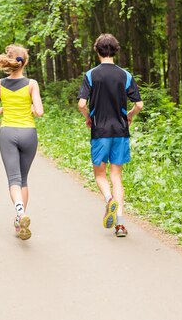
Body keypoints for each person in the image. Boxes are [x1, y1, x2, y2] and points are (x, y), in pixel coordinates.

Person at [77, 33, 144, 238]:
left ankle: (108, 200)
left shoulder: (91, 75)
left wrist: (88, 117)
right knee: (117, 176)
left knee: (100, 174)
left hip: (100, 131)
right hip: (120, 131)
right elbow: (139, 104)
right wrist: (130, 115)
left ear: (97, 51)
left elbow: (81, 104)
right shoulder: (125, 75)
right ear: (115, 50)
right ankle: (121, 224)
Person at [0, 44, 44, 240]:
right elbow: (39, 111)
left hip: (8, 133)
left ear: (8, 62)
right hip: (29, 133)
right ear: (25, 62)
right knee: (24, 179)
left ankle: (21, 213)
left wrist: (4, 109)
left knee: (14, 179)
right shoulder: (32, 84)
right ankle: (20, 220)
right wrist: (28, 109)